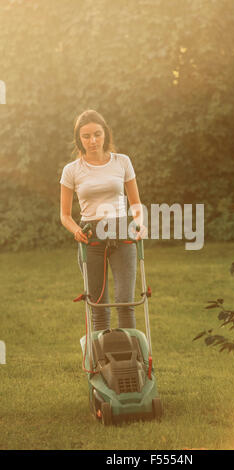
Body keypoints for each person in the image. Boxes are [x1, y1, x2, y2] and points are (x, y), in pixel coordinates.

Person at [60, 109, 147, 331]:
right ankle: (101, 362)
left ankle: (133, 361)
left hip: (122, 235)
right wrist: (75, 230)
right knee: (99, 305)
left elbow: (135, 204)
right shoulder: (72, 170)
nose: (93, 141)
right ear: (79, 139)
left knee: (126, 302)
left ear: (106, 134)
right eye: (86, 136)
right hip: (91, 239)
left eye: (97, 134)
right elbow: (66, 215)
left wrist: (139, 223)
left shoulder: (122, 162)